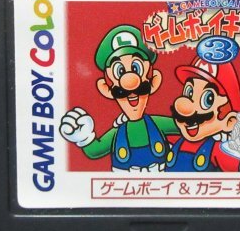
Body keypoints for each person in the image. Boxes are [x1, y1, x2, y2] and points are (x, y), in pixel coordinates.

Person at [59, 25, 179, 172]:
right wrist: (83, 136)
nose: (130, 83)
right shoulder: (117, 134)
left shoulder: (157, 124)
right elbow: (94, 151)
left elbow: (184, 127)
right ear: (106, 88)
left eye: (136, 68)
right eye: (120, 71)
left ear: (154, 80)